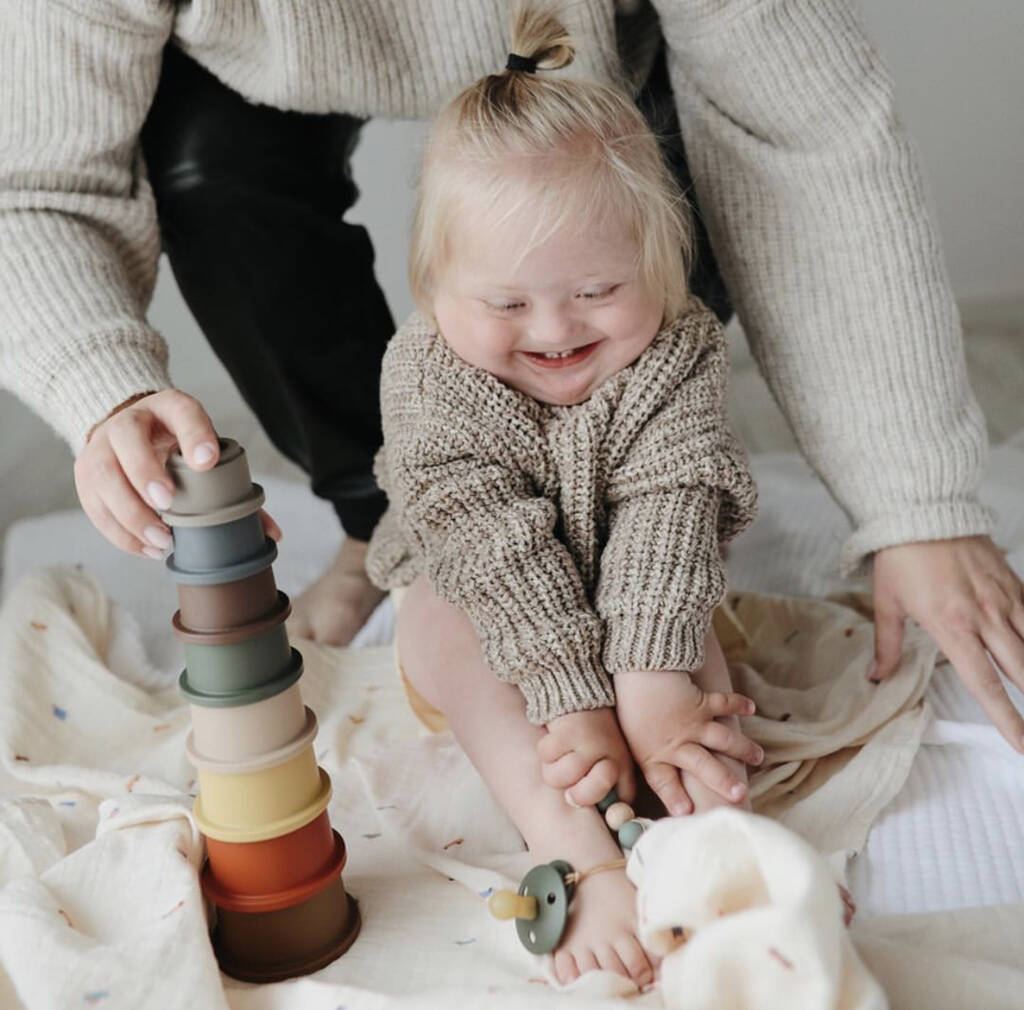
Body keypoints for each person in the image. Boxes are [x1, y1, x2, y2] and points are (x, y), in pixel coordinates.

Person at [1, 4, 1021, 741]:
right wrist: (107, 386)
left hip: (588, 62)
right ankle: (381, 520)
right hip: (253, 82)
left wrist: (914, 503)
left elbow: (800, 128)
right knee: (205, 160)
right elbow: (34, 181)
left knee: (630, 283)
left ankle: (626, 526)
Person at [365, 6, 763, 985]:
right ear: (432, 287)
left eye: (595, 289)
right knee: (449, 630)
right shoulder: (429, 376)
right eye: (505, 303)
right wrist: (571, 699)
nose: (552, 328)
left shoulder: (676, 347)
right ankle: (582, 856)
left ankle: (713, 841)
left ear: (659, 270)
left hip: (633, 588)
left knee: (690, 660)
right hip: (484, 597)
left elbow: (671, 509)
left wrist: (651, 693)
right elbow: (489, 544)